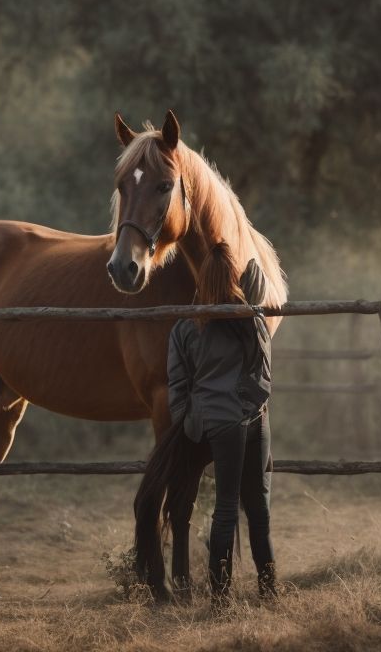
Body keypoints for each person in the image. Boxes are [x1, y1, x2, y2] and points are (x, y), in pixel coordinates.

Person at [134, 242, 275, 604]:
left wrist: (192, 421)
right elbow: (264, 377)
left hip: (215, 422)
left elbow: (178, 386)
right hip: (251, 420)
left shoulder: (184, 328)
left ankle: (220, 597)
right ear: (232, 277)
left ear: (202, 280)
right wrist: (246, 406)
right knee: (257, 508)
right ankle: (268, 589)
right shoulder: (250, 320)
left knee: (226, 507)